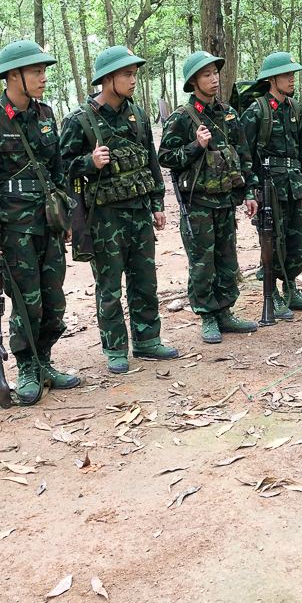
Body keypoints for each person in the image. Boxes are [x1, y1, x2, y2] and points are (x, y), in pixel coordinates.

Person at [0, 41, 83, 404]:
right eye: (36, 72)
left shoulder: (46, 115)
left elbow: (59, 171)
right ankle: (26, 366)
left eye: (44, 71)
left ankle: (44, 361)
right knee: (26, 300)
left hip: (48, 223)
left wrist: (65, 217)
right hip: (13, 228)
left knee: (53, 300)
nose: (44, 78)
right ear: (13, 76)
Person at [59, 45, 178, 374]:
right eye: (127, 74)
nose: (133, 79)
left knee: (145, 279)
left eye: (134, 74)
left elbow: (151, 162)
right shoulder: (79, 121)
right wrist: (89, 162)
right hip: (103, 217)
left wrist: (157, 204)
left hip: (138, 211)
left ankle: (146, 340)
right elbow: (60, 168)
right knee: (109, 285)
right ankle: (114, 348)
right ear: (107, 79)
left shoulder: (138, 115)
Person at [159, 51, 259, 343]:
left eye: (215, 72)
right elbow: (165, 157)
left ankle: (226, 312)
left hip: (226, 199)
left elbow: (243, 156)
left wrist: (249, 192)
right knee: (203, 262)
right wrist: (195, 146)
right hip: (198, 203)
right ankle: (207, 316)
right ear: (193, 81)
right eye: (206, 74)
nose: (213, 78)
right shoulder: (181, 117)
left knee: (227, 259)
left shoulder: (228, 113)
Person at [239, 52, 302, 318]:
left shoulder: (295, 108)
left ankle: (291, 290)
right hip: (269, 187)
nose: (291, 79)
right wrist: (250, 190)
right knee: (273, 243)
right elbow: (244, 154)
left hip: (294, 185)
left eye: (293, 74)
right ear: (272, 78)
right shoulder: (257, 112)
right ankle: (271, 292)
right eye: (286, 74)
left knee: (297, 242)